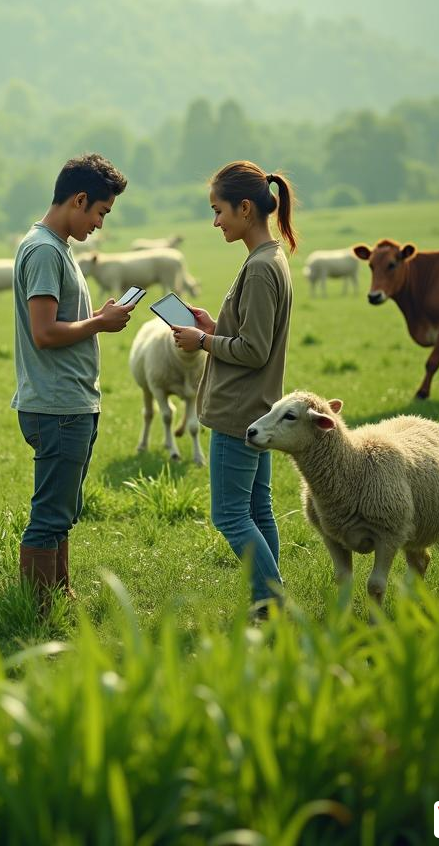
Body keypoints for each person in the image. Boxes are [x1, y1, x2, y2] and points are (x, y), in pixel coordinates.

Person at [170, 160, 298, 616]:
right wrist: (215, 324)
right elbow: (248, 333)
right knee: (257, 509)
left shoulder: (262, 268)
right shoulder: (269, 259)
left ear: (245, 208)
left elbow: (254, 350)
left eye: (219, 210)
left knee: (229, 515)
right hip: (257, 406)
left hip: (237, 411)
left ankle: (271, 600)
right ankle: (268, 605)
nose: (216, 221)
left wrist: (202, 340)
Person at [12, 153, 134, 604]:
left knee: (61, 511)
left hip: (67, 401)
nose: (100, 224)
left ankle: (60, 594)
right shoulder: (45, 251)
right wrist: (99, 324)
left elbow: (58, 321)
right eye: (100, 212)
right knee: (49, 515)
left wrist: (95, 316)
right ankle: (37, 610)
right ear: (79, 200)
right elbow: (44, 333)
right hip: (57, 404)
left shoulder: (54, 247)